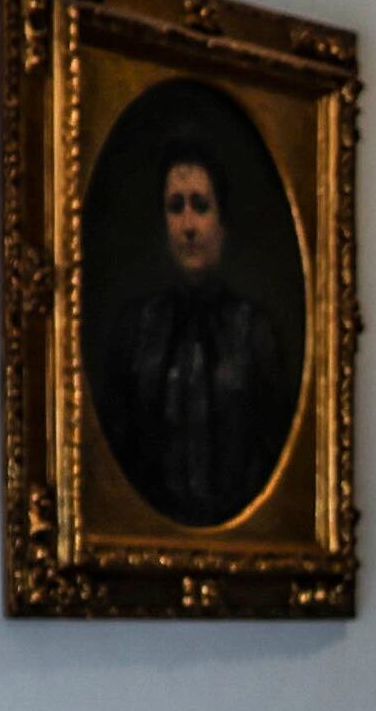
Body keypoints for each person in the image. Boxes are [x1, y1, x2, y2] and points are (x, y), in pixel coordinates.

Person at [105, 151, 298, 527]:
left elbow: (273, 450)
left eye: (201, 206)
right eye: (176, 208)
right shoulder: (137, 328)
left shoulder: (253, 329)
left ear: (222, 224)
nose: (188, 225)